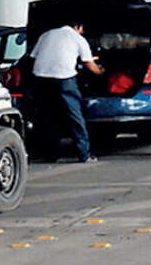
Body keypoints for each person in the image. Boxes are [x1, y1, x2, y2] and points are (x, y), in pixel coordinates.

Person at [30, 19, 104, 163]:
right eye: (82, 29)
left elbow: (33, 57)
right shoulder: (77, 38)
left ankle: (50, 155)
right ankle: (84, 154)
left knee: (48, 117)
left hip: (41, 78)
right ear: (78, 27)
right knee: (74, 116)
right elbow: (89, 63)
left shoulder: (46, 35)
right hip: (64, 78)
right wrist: (101, 72)